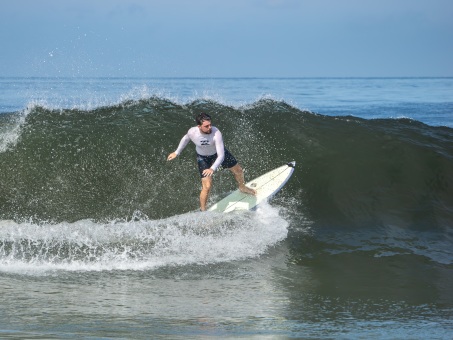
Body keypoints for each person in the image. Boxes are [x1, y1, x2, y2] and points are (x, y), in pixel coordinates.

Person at [167, 113, 256, 211]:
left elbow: (221, 155)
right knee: (207, 186)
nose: (210, 127)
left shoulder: (216, 133)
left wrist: (212, 168)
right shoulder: (192, 132)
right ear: (199, 126)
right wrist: (177, 152)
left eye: (210, 124)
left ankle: (242, 187)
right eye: (206, 126)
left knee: (238, 170)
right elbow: (186, 138)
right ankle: (203, 210)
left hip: (217, 154)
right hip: (203, 158)